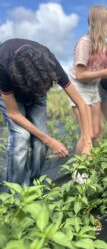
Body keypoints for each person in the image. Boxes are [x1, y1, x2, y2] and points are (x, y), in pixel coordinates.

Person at [0, 38, 92, 187]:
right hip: (13, 97)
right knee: (21, 138)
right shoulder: (3, 65)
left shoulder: (49, 63)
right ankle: (16, 194)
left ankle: (34, 185)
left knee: (40, 143)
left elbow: (81, 103)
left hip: (36, 89)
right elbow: (14, 114)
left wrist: (87, 142)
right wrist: (50, 140)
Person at [69, 5, 107, 154]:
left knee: (97, 130)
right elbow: (80, 74)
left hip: (94, 88)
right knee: (87, 135)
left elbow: (101, 73)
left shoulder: (105, 47)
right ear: (100, 23)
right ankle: (79, 173)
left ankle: (89, 163)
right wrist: (106, 72)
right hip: (79, 88)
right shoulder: (85, 43)